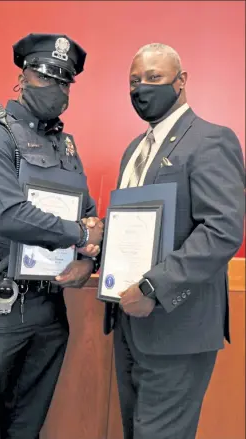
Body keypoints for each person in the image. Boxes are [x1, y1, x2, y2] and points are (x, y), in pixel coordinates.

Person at [0, 33, 103, 439]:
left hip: (49, 308)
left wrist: (87, 260)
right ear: (23, 76)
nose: (56, 88)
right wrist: (78, 234)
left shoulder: (65, 147)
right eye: (47, 76)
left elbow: (86, 212)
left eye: (65, 81)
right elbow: (8, 215)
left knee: (27, 427)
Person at [101, 43, 245, 439]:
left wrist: (153, 286)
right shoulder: (135, 149)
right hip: (128, 320)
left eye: (153, 78)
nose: (141, 88)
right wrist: (97, 247)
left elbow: (222, 230)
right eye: (134, 80)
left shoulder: (211, 140)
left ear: (181, 82)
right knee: (135, 430)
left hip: (177, 325)